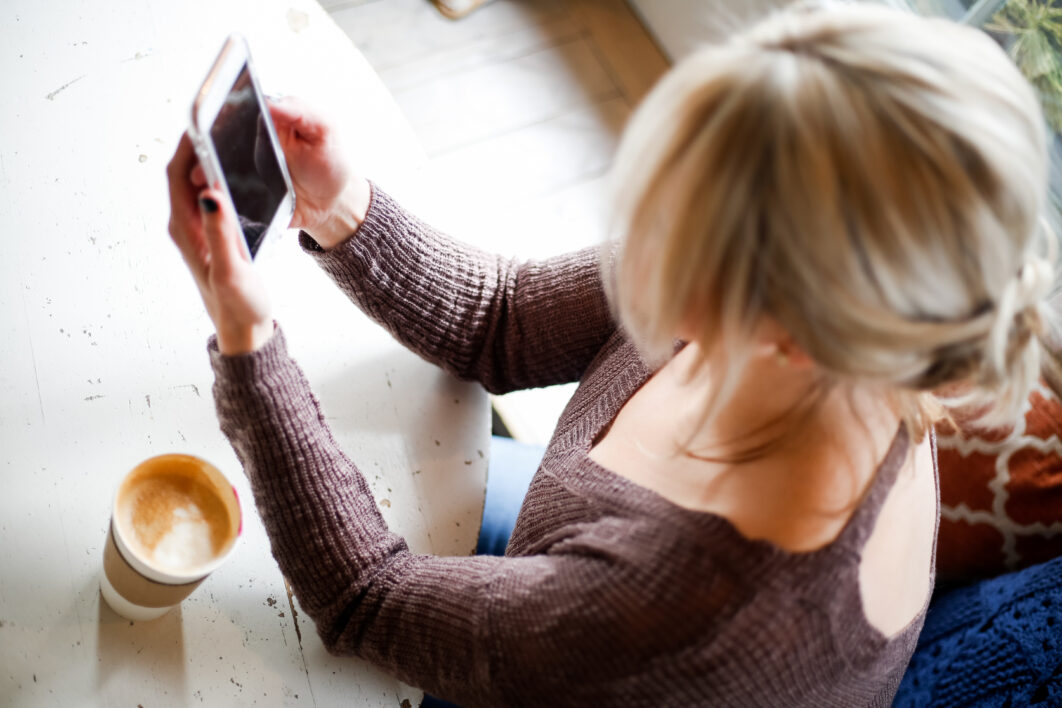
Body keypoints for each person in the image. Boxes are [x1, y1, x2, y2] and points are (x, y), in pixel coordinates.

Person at [165, 3, 1058, 705]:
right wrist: (339, 203)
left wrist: (248, 341)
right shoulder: (867, 343)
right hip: (555, 577)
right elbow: (504, 317)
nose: (650, 235)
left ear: (783, 326)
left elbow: (367, 596)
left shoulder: (681, 619)